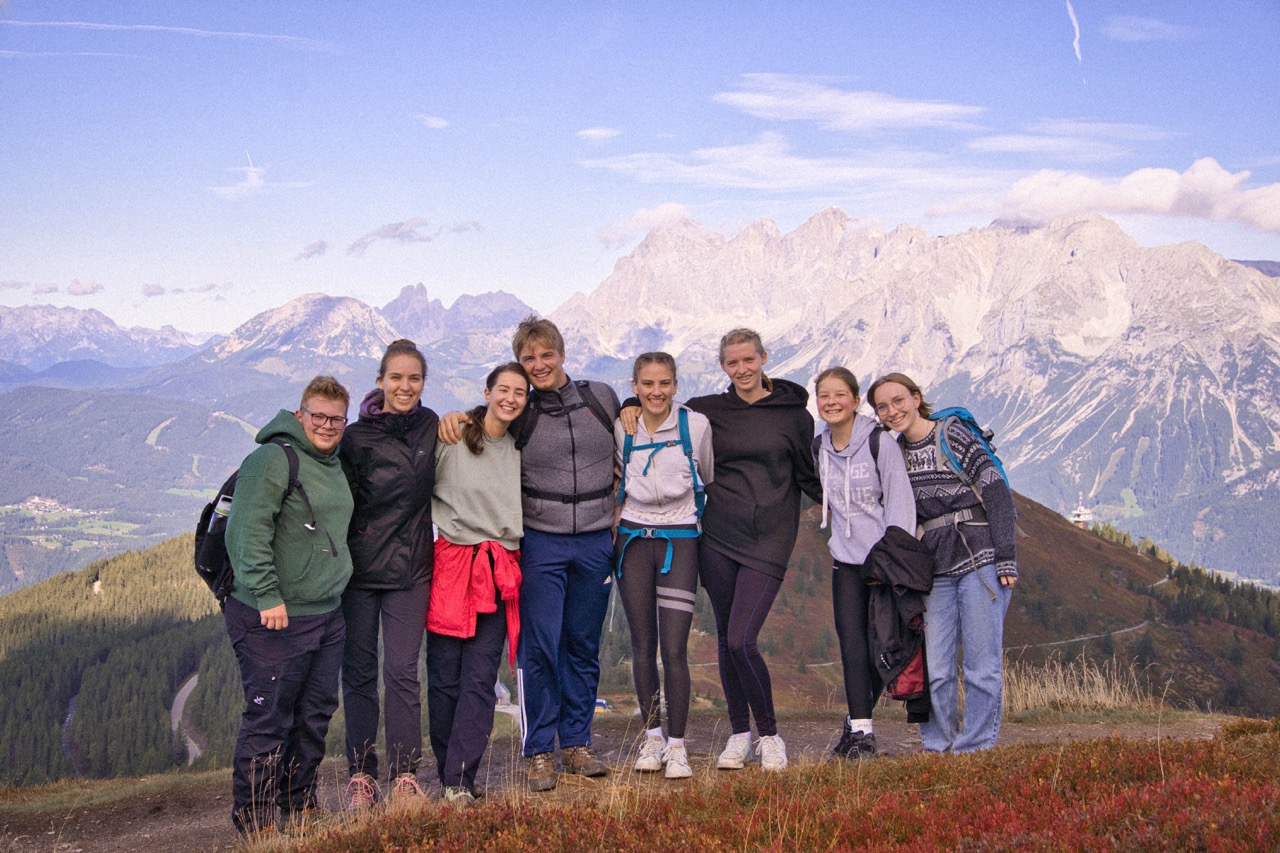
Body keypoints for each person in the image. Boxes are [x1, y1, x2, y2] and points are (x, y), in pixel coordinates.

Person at [439, 315, 619, 792]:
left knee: (582, 643)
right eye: (528, 358)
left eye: (546, 355)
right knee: (539, 646)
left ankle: (577, 743)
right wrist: (456, 418)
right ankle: (539, 750)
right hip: (542, 542)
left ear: (562, 354)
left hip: (598, 540)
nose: (538, 365)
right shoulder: (525, 411)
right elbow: (490, 429)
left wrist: (639, 402)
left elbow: (629, 437)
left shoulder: (601, 398)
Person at [676, 328, 822, 771]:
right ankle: (740, 734)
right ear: (723, 366)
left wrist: (858, 503)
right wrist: (627, 408)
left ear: (764, 357)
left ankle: (770, 735)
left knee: (743, 639)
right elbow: (658, 408)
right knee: (725, 638)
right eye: (732, 363)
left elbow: (807, 475)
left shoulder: (795, 415)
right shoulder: (707, 411)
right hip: (718, 535)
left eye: (748, 360)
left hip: (771, 537)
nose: (741, 370)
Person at [223, 375, 354, 835]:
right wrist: (267, 595)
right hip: (273, 616)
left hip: (325, 613)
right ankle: (255, 820)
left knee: (314, 714)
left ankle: (298, 804)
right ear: (300, 414)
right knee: (270, 717)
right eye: (317, 415)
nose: (326, 425)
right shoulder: (271, 459)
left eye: (336, 418)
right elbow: (246, 532)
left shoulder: (334, 462)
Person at [866, 372, 1018, 753]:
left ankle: (977, 746)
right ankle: (938, 746)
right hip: (934, 568)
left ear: (916, 398)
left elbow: (997, 493)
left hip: (979, 558)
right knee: (937, 666)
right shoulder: (893, 452)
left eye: (898, 400)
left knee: (982, 666)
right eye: (882, 407)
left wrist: (1007, 559)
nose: (892, 411)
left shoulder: (951, 435)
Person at [338, 340, 439, 807]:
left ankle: (403, 777)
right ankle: (361, 776)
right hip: (358, 571)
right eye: (395, 377)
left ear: (422, 383)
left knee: (401, 672)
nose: (404, 386)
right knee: (358, 673)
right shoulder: (356, 437)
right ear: (380, 381)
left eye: (413, 378)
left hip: (412, 569)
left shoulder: (434, 427)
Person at [426, 362, 528, 805]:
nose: (510, 398)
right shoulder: (451, 438)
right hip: (452, 566)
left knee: (480, 678)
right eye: (502, 389)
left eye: (519, 393)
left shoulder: (522, 447)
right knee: (445, 678)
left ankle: (460, 780)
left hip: (497, 570)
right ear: (487, 392)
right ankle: (449, 773)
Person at [614, 352, 714, 780]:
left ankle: (677, 746)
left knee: (673, 650)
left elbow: (704, 474)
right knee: (642, 645)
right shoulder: (622, 425)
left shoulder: (696, 426)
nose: (656, 392)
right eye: (648, 384)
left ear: (676, 385)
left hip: (680, 538)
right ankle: (652, 738)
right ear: (634, 386)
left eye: (665, 384)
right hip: (634, 540)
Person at [812, 367, 916, 760]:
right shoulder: (818, 447)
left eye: (841, 395)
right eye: (824, 396)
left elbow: (900, 502)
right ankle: (862, 733)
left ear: (856, 401)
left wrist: (891, 558)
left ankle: (858, 724)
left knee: (881, 649)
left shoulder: (879, 443)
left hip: (881, 561)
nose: (832, 402)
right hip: (845, 561)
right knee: (852, 648)